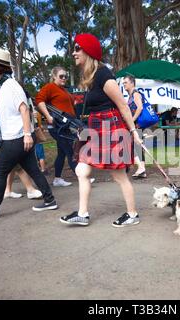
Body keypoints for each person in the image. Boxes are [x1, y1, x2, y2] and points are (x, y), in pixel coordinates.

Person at [59, 33, 142, 227]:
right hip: (96, 127)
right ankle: (82, 214)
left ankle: (132, 215)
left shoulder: (104, 74)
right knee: (81, 169)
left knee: (119, 175)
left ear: (88, 51)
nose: (74, 52)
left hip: (111, 126)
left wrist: (133, 131)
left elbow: (122, 105)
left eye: (77, 48)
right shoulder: (91, 76)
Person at [0, 47, 57, 218]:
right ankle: (50, 200)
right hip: (17, 136)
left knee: (0, 171)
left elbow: (24, 109)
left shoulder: (10, 85)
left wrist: (26, 134)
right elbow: (8, 111)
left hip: (17, 137)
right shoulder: (3, 87)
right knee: (33, 169)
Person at [0, 69, 43, 200]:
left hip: (13, 129)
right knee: (12, 162)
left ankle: (7, 191)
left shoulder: (9, 85)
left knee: (12, 162)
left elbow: (22, 108)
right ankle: (29, 189)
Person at [35, 67, 79, 187]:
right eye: (61, 76)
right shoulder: (50, 87)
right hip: (58, 126)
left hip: (67, 126)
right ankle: (82, 177)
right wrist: (48, 116)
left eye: (65, 76)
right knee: (70, 150)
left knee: (62, 153)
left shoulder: (64, 90)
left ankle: (57, 179)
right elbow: (39, 100)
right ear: (54, 76)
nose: (64, 78)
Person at [122, 75, 146, 179]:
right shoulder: (131, 95)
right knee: (137, 146)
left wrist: (132, 120)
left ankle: (141, 168)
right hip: (136, 124)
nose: (124, 84)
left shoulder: (136, 94)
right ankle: (142, 170)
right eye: (123, 83)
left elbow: (140, 108)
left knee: (130, 146)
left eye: (125, 82)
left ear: (132, 83)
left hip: (136, 124)